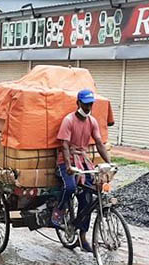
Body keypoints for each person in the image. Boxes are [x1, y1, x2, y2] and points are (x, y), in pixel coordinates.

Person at [51, 89, 111, 253]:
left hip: (83, 161)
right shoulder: (68, 120)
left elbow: (99, 142)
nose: (87, 107)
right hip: (67, 160)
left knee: (89, 198)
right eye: (85, 104)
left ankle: (82, 237)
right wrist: (69, 166)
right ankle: (60, 209)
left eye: (90, 104)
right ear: (78, 103)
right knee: (70, 187)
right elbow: (64, 145)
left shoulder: (92, 121)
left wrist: (109, 162)